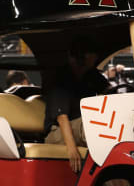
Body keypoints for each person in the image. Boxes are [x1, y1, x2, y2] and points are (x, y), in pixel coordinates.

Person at [43, 39, 109, 172]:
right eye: (92, 53)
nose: (95, 57)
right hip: (57, 132)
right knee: (92, 125)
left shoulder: (92, 75)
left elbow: (108, 91)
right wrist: (72, 150)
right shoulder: (61, 77)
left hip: (79, 127)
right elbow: (62, 117)